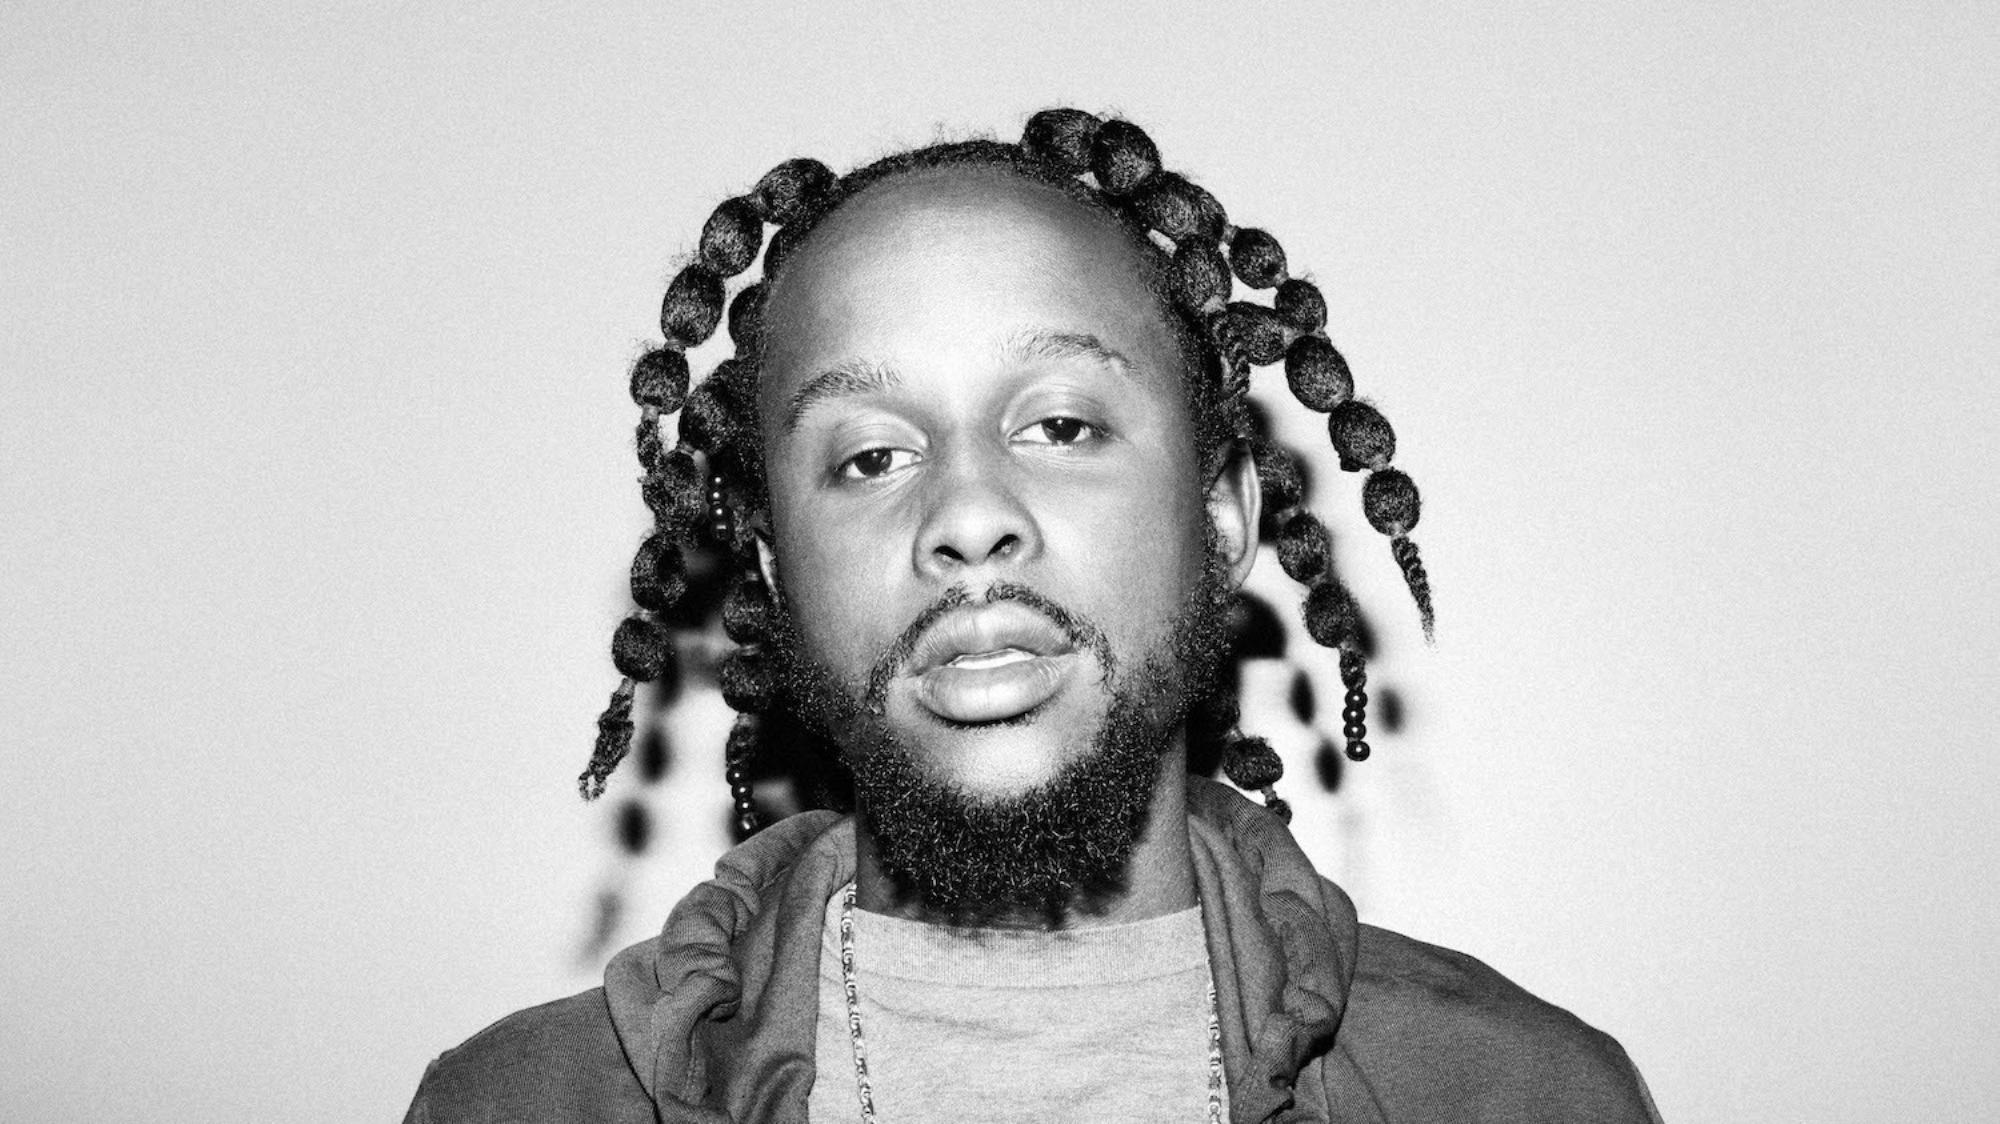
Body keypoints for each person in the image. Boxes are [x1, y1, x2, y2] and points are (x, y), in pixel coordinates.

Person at [403, 109, 1662, 1122]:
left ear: (1218, 521)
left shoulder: (1523, 1095)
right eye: (869, 455)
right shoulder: (518, 1104)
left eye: (1059, 424)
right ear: (776, 573)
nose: (966, 512)